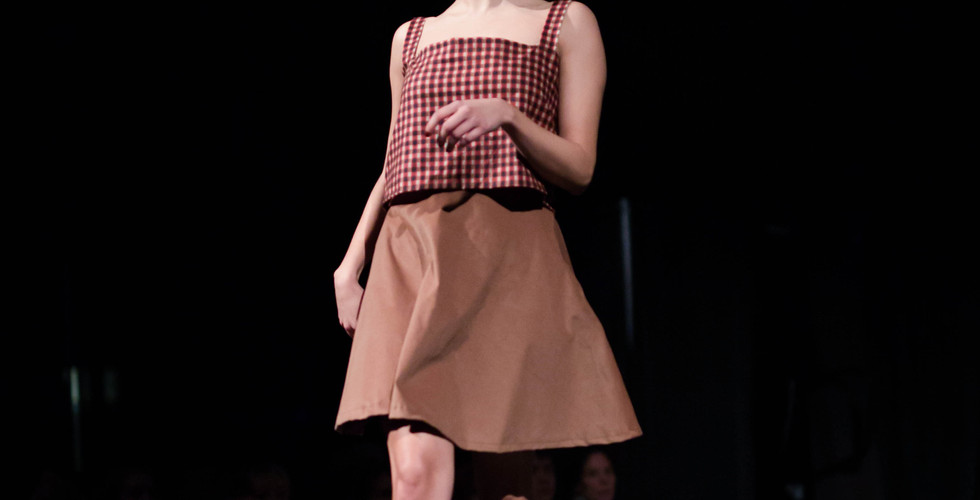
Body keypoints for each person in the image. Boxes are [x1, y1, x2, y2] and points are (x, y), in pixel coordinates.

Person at [333, 1, 641, 499]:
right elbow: (396, 158)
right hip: (410, 250)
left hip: (503, 249)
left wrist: (509, 116)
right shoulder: (411, 36)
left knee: (504, 481)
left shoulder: (564, 22)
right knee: (413, 473)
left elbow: (580, 167)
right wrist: (352, 262)